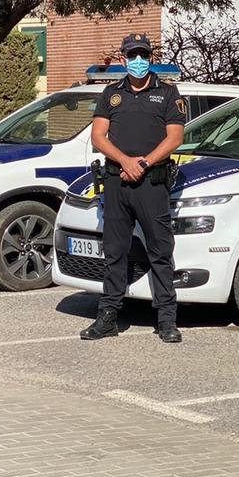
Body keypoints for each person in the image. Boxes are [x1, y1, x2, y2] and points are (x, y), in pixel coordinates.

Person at [80, 34, 187, 343]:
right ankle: (108, 317)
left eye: (143, 54)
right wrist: (125, 161)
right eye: (133, 55)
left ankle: (166, 320)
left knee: (160, 253)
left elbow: (175, 137)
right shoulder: (111, 94)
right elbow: (99, 137)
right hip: (116, 183)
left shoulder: (167, 93)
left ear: (150, 58)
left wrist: (142, 163)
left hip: (151, 184)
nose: (138, 60)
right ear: (124, 59)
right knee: (114, 253)